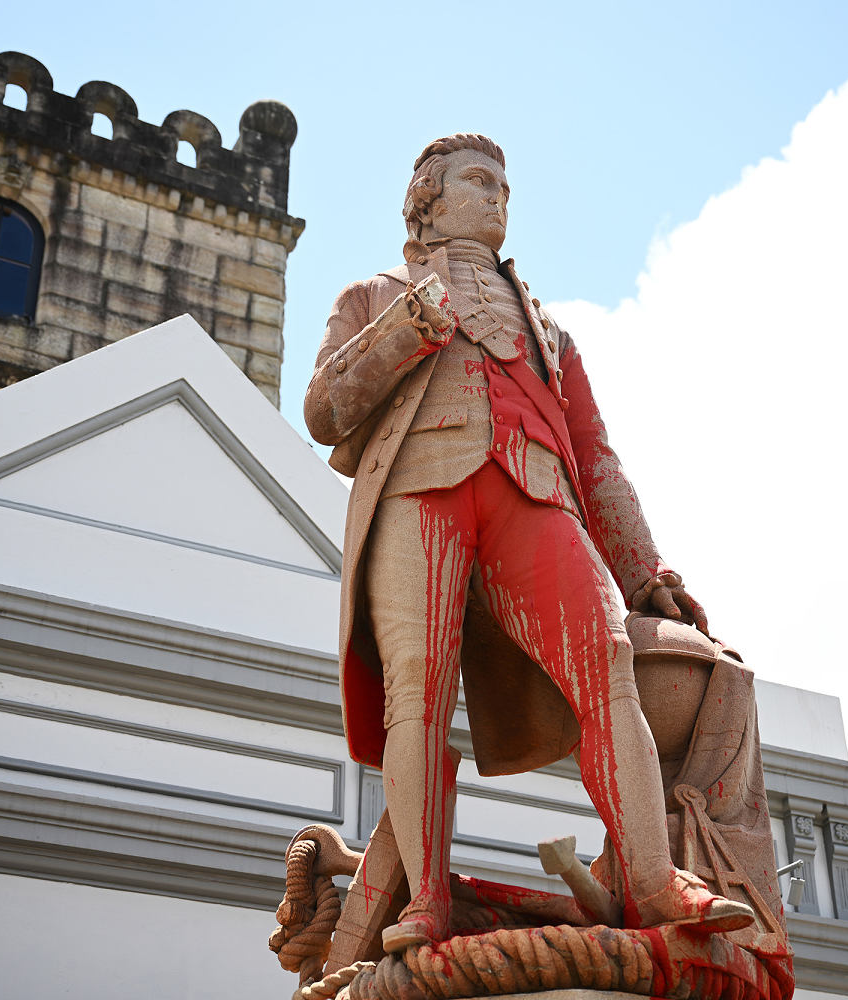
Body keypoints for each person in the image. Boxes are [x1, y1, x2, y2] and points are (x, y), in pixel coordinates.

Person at [304, 134, 754, 953]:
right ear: (429, 201)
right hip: (420, 490)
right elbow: (324, 411)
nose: (499, 197)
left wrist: (646, 565)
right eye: (480, 181)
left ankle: (656, 882)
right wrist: (405, 330)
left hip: (535, 493)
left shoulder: (549, 330)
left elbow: (598, 455)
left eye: (505, 185)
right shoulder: (373, 294)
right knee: (419, 692)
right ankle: (427, 902)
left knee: (608, 659)